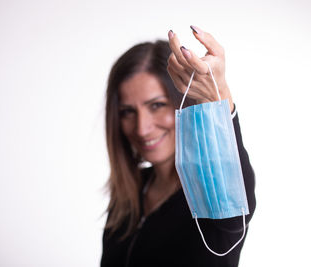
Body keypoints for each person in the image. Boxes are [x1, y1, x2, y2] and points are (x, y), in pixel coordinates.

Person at [101, 26, 256, 267]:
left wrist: (217, 97)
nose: (142, 128)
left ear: (182, 101)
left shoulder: (212, 193)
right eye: (128, 112)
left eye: (157, 105)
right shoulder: (129, 193)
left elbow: (236, 185)